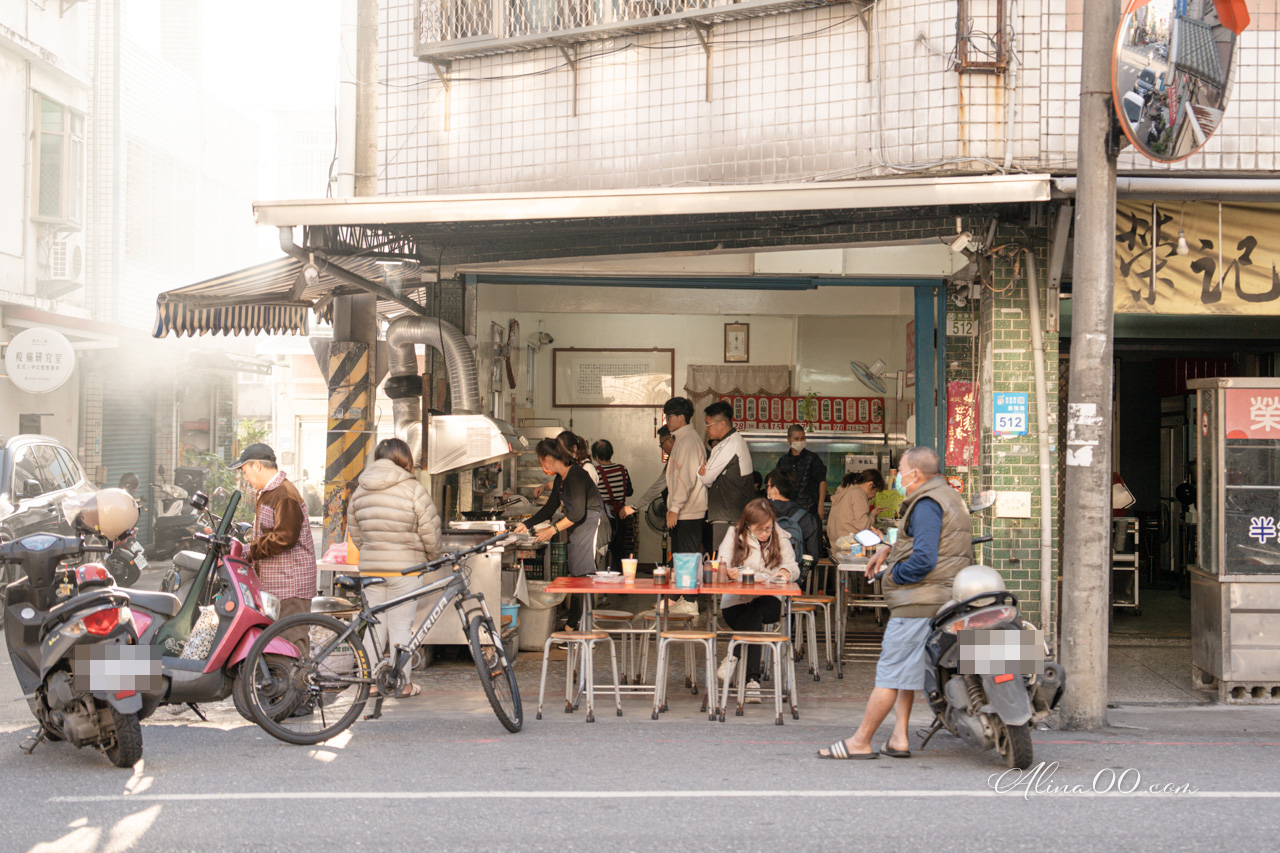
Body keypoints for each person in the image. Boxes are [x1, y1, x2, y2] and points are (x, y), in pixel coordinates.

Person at [818, 446, 973, 760]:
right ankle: (899, 737)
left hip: (919, 600)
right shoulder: (948, 497)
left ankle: (861, 740)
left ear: (915, 473)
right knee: (906, 672)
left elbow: (925, 558)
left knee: (889, 673)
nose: (898, 477)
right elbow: (928, 543)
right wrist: (889, 549)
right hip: (940, 597)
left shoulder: (927, 503)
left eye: (901, 470)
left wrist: (893, 575)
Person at [345, 437, 443, 698]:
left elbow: (356, 534)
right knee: (401, 627)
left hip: (371, 571)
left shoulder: (360, 490)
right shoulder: (413, 488)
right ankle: (402, 684)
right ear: (405, 460)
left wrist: (373, 553)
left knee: (375, 626)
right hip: (405, 570)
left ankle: (371, 682)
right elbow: (431, 531)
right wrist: (430, 557)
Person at [230, 443, 317, 668]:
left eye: (245, 471)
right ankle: (285, 697)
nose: (246, 478)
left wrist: (250, 551)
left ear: (257, 466)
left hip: (291, 585)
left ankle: (299, 695)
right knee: (280, 645)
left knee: (292, 644)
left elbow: (285, 537)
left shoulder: (284, 494)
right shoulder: (270, 493)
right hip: (279, 584)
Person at [515, 436, 610, 630]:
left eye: (541, 461)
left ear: (548, 459)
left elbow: (577, 513)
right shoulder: (561, 478)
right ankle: (575, 626)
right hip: (579, 528)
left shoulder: (576, 475)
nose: (542, 465)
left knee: (583, 577)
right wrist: (526, 524)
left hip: (591, 526)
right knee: (577, 575)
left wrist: (553, 529)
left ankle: (578, 628)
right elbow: (549, 509)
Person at [716, 498, 799, 698]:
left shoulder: (779, 536)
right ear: (747, 525)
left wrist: (786, 572)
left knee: (757, 609)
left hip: (769, 599)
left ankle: (733, 657)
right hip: (736, 600)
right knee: (752, 619)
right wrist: (729, 573)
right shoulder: (734, 535)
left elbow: (792, 566)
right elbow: (721, 563)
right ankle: (752, 682)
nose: (765, 533)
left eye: (768, 528)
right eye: (759, 529)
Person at [698, 400, 755, 554]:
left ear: (722, 424)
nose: (706, 429)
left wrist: (700, 470)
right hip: (728, 515)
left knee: (724, 562)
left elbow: (706, 478)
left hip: (730, 517)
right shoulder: (728, 442)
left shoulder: (730, 444)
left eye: (708, 424)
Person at [661, 396, 707, 555]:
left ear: (681, 417)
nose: (667, 420)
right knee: (680, 561)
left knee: (686, 562)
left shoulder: (689, 440)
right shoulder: (682, 438)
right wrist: (672, 507)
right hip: (682, 512)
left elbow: (686, 479)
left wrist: (674, 507)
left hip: (689, 513)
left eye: (669, 416)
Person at [592, 439, 634, 569]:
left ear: (597, 457)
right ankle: (619, 581)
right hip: (621, 514)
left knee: (601, 549)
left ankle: (602, 578)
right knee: (619, 550)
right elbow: (629, 492)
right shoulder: (622, 469)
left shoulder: (595, 471)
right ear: (612, 453)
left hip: (603, 516)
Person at [765, 468, 823, 561]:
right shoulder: (806, 518)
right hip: (793, 573)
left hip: (762, 573)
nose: (766, 489)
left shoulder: (759, 514)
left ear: (774, 490)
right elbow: (812, 558)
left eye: (767, 486)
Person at [775, 424, 828, 520]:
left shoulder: (813, 458)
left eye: (803, 438)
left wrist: (821, 505)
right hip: (788, 511)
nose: (800, 441)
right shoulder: (783, 460)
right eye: (796, 439)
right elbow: (778, 483)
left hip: (810, 510)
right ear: (788, 439)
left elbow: (822, 481)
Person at [619, 427, 673, 520]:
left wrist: (634, 506)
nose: (662, 449)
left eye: (662, 444)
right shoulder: (677, 456)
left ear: (670, 440)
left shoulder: (678, 458)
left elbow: (658, 486)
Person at [828, 469, 886, 545]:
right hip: (849, 543)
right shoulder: (859, 494)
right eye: (876, 491)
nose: (874, 495)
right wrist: (872, 515)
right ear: (870, 485)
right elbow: (863, 526)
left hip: (837, 541)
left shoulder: (847, 490)